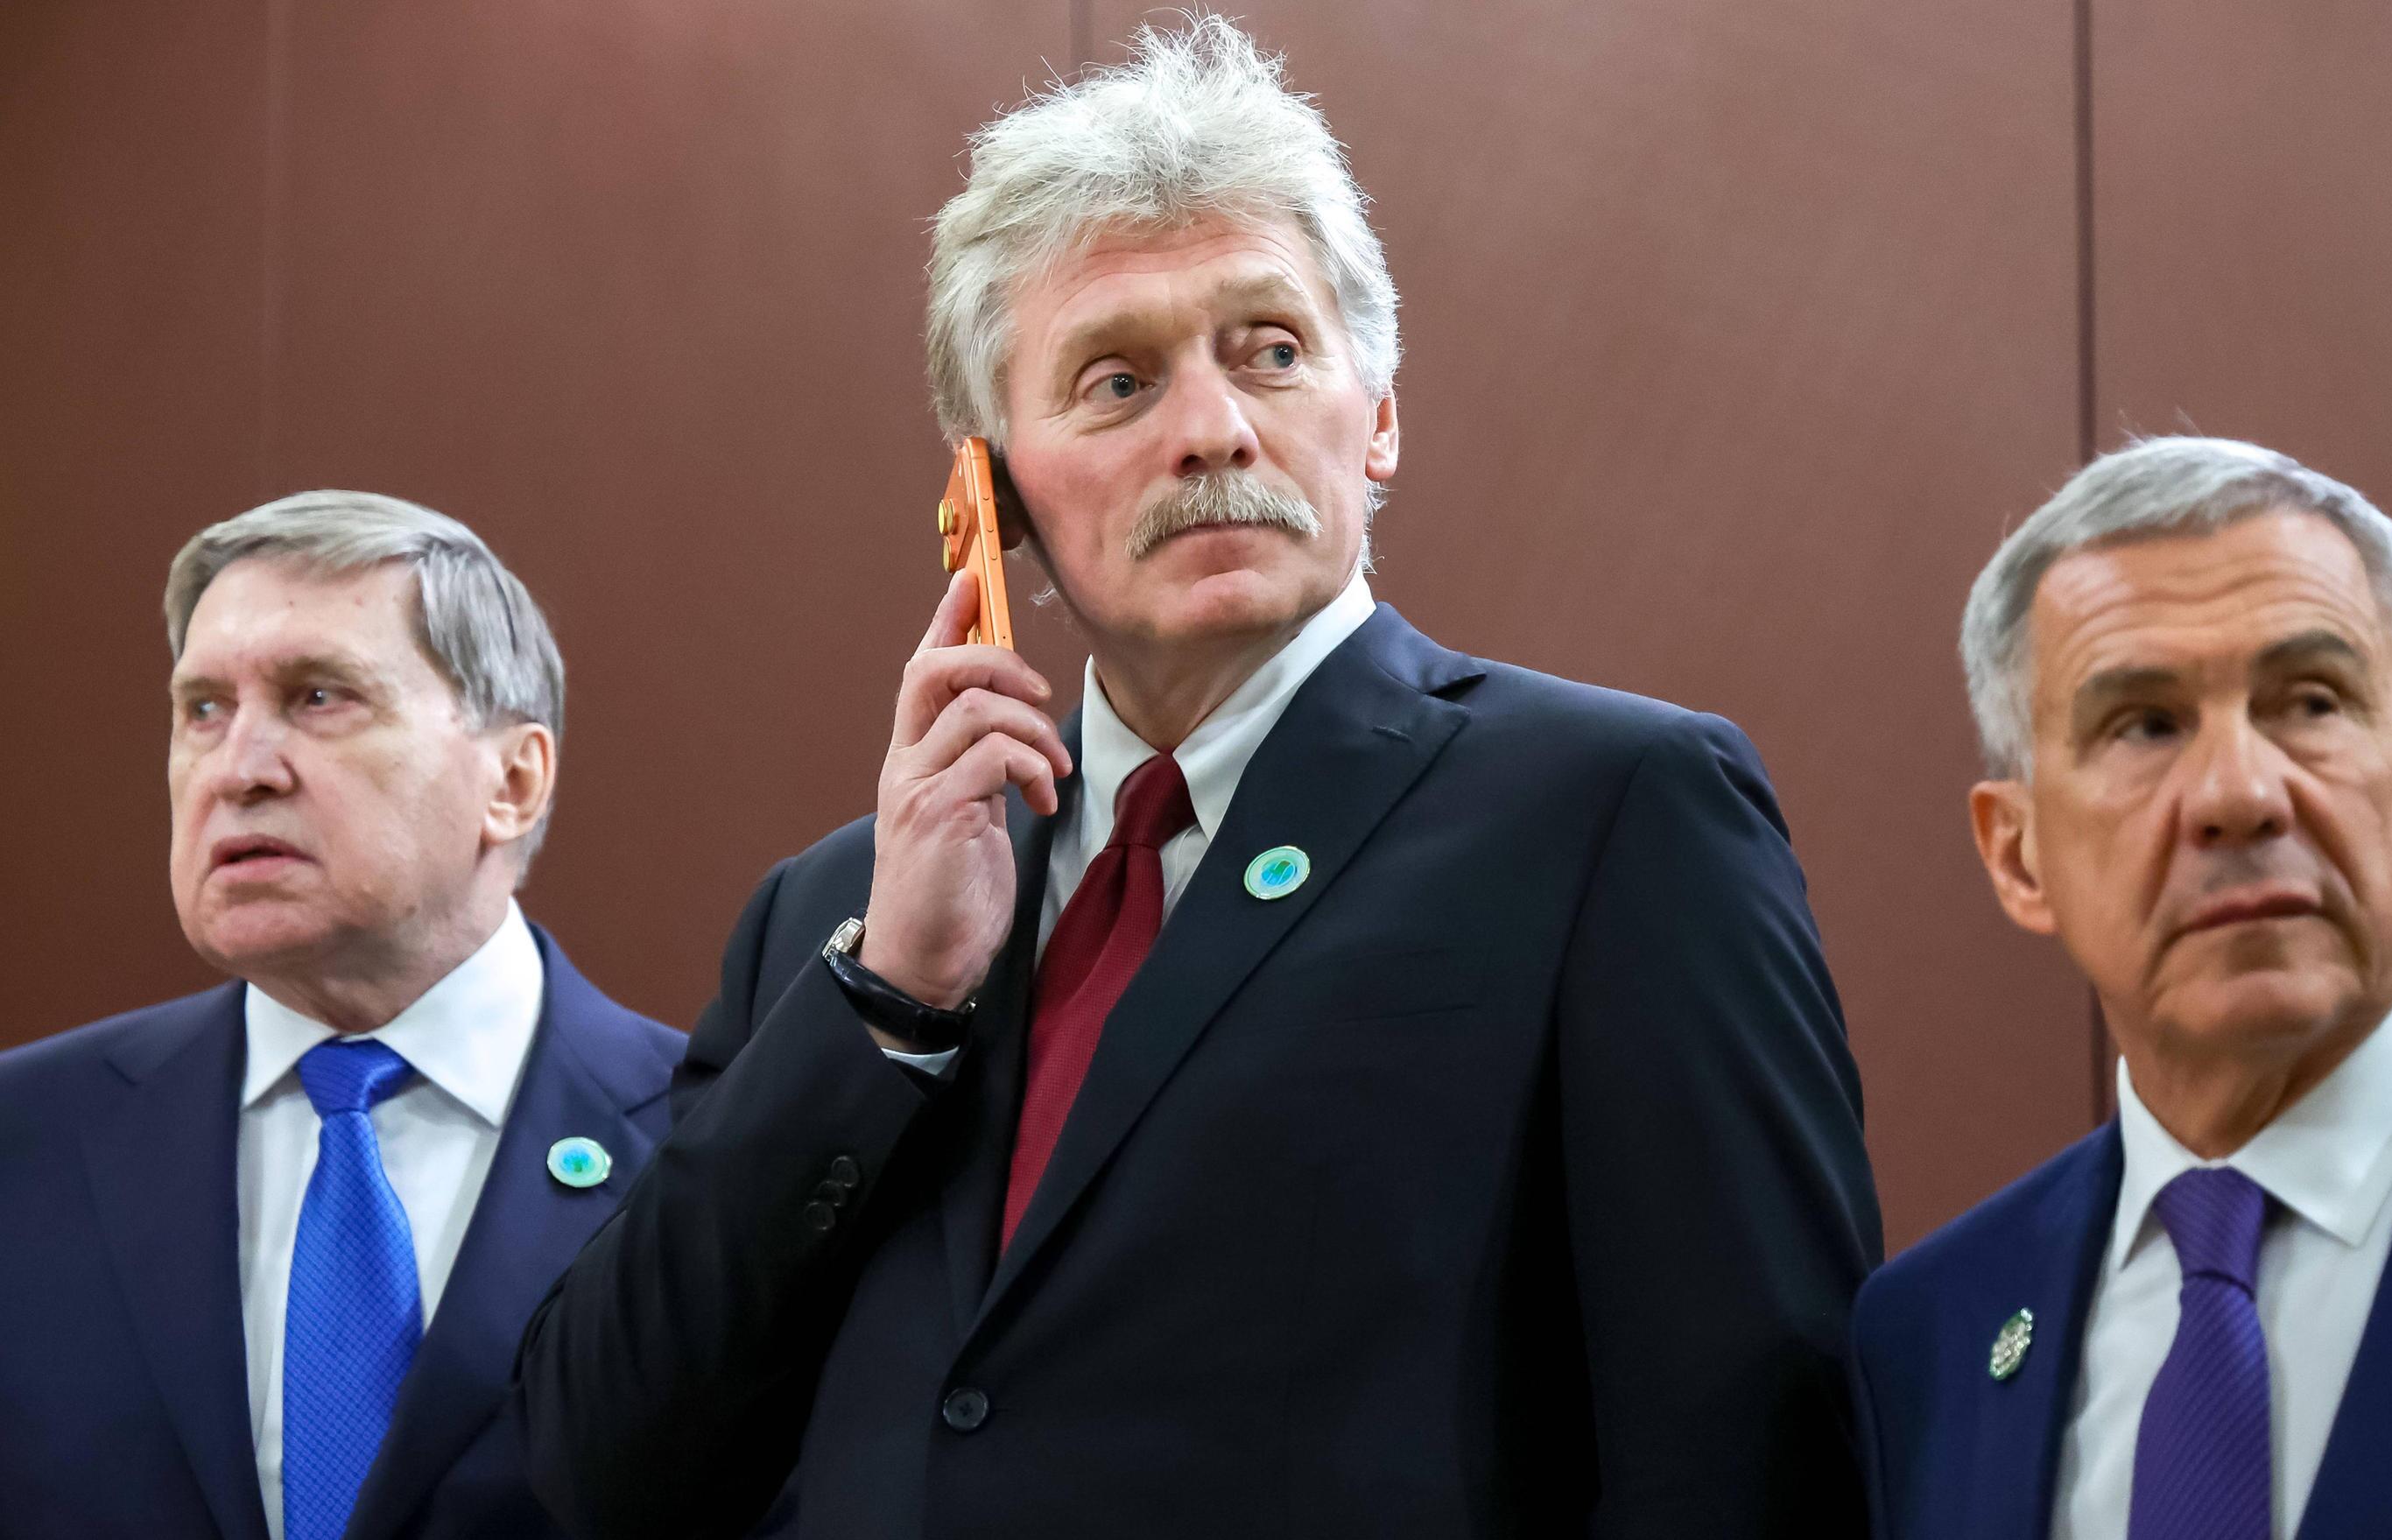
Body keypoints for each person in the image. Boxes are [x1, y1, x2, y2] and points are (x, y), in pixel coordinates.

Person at [518, 18, 1879, 1537]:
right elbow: (603, 1465)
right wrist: (890, 1002)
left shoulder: (1614, 812)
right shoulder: (841, 918)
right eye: (1116, 381)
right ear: (988, 495)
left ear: (1380, 415)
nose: (1214, 431)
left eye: (1272, 351)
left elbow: (1752, 1446)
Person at [1849, 437, 2392, 1539]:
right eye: (2145, 725)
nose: (2238, 793)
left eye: (2311, 702)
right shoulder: (1930, 1335)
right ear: (2018, 854)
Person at [0, 493, 685, 1540]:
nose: (239, 769)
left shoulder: (710, 1143)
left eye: (319, 697)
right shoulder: (27, 1138)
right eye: (202, 709)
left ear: (512, 780)